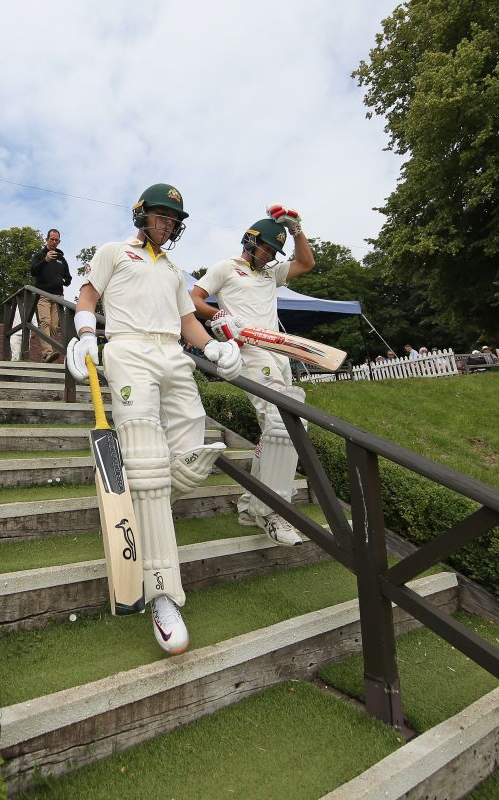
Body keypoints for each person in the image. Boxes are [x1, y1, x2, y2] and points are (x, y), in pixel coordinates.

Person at [65, 183, 243, 656]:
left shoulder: (173, 270)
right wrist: (86, 334)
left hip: (173, 354)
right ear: (141, 215)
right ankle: (162, 593)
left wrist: (213, 348)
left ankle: (146, 498)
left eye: (173, 220)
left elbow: (188, 322)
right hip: (128, 349)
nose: (167, 225)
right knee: (145, 460)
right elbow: (87, 296)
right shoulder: (113, 251)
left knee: (191, 454)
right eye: (161, 216)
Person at [190, 205, 315, 546]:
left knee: (284, 427)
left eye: (275, 252)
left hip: (278, 352)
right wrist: (219, 316)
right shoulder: (225, 268)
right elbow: (194, 299)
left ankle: (250, 506)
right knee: (281, 422)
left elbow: (306, 264)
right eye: (266, 249)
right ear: (250, 241)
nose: (270, 256)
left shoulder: (270, 274)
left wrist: (297, 230)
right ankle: (272, 512)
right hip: (247, 349)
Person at [29, 228, 72, 362]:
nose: (54, 242)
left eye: (56, 240)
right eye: (52, 239)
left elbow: (68, 278)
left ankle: (50, 354)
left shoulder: (62, 259)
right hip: (43, 295)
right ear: (46, 239)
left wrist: (63, 281)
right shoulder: (39, 255)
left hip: (58, 297)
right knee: (45, 322)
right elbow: (33, 271)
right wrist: (45, 260)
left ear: (59, 242)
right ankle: (46, 353)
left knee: (54, 327)